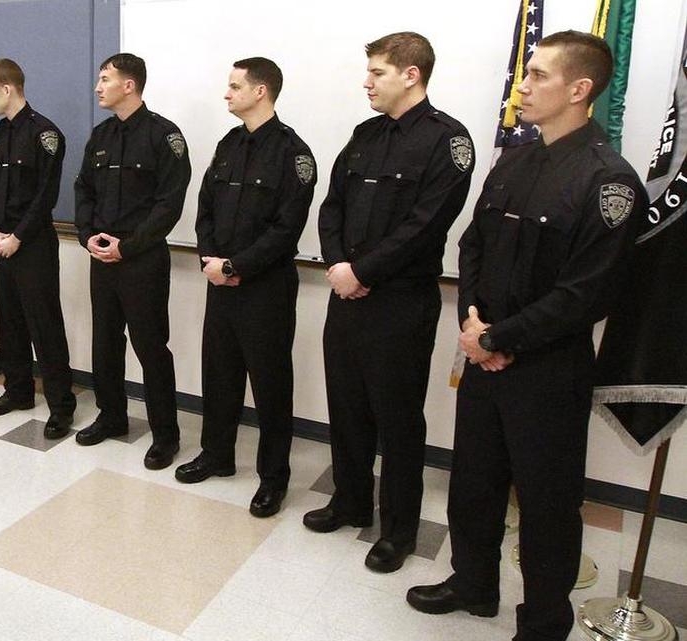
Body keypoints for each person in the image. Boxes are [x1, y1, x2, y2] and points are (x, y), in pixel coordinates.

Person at [407, 31, 645, 641]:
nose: (523, 85)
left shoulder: (608, 183)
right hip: (485, 350)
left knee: (545, 504)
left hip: (547, 369)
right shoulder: (514, 159)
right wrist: (474, 325)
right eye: (526, 73)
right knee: (474, 481)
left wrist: (501, 337)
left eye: (537, 75)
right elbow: (474, 245)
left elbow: (585, 294)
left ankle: (543, 622)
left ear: (579, 89)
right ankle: (472, 583)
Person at [306, 32, 475, 573]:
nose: (366, 82)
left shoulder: (449, 141)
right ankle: (350, 500)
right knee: (347, 406)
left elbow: (426, 226)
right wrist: (338, 266)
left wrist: (362, 271)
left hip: (400, 302)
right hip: (346, 295)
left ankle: (398, 529)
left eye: (377, 72)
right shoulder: (364, 135)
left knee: (398, 420)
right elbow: (332, 206)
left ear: (411, 75)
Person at [174, 57, 315, 518]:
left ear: (261, 92)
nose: (226, 93)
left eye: (235, 86)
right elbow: (206, 208)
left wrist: (236, 265)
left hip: (265, 288)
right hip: (222, 282)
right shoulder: (228, 144)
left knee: (271, 385)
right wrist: (212, 261)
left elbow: (285, 229)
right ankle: (217, 455)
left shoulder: (294, 154)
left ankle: (273, 478)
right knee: (220, 374)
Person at [73, 53, 191, 469]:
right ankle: (112, 416)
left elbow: (169, 204)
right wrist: (88, 237)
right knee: (105, 341)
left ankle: (165, 435)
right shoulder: (100, 135)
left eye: (105, 79)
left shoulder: (165, 136)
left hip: (141, 260)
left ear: (129, 85)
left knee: (150, 347)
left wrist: (129, 246)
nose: (97, 86)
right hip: (101, 256)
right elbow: (84, 189)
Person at [0, 58, 77, 438]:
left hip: (31, 245)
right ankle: (17, 391)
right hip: (1, 243)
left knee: (44, 326)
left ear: (7, 89)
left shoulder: (45, 134)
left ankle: (60, 406)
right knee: (10, 322)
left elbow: (45, 196)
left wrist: (17, 237)